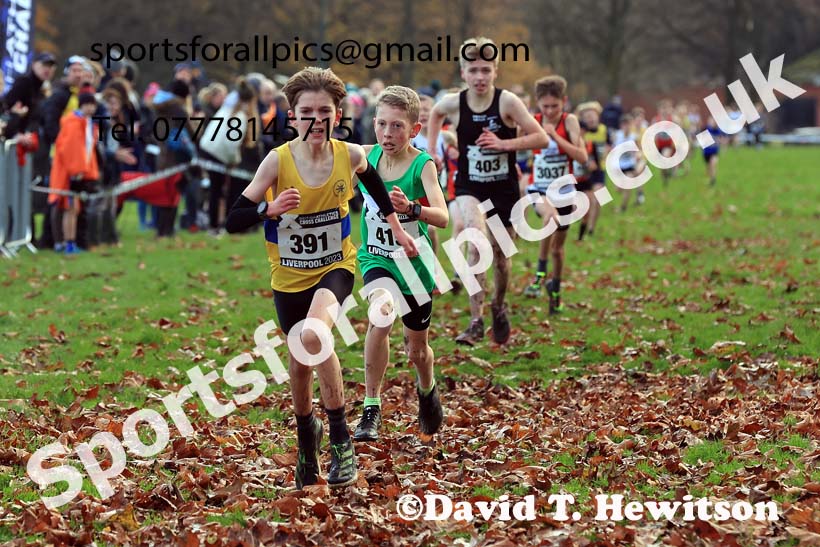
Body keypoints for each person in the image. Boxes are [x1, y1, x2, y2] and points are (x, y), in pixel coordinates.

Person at [224, 67, 419, 489]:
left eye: (324, 112)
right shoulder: (277, 161)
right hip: (288, 276)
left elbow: (373, 183)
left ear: (337, 114)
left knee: (314, 335)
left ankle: (341, 439)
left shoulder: (348, 155)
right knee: (298, 362)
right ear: (292, 116)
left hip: (337, 267)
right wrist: (268, 211)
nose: (316, 120)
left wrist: (397, 228)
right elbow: (232, 218)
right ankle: (306, 436)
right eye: (306, 112)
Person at [426, 37, 549, 346]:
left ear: (496, 71)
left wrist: (503, 144)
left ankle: (497, 306)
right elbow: (434, 115)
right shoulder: (455, 103)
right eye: (473, 70)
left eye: (485, 70)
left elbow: (541, 138)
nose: (479, 77)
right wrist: (432, 153)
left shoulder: (507, 102)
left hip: (504, 188)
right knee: (475, 239)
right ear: (463, 73)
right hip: (470, 185)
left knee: (501, 257)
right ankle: (475, 320)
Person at [352, 86, 449, 442]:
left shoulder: (422, 165)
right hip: (375, 257)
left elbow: (443, 216)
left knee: (417, 350)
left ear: (414, 130)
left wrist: (411, 208)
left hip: (414, 264)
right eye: (381, 124)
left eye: (396, 126)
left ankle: (427, 389)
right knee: (381, 312)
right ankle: (371, 407)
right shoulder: (364, 157)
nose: (387, 134)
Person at [521, 76, 587, 316]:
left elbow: (582, 157)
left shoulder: (569, 122)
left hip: (565, 192)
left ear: (564, 102)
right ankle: (539, 275)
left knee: (558, 250)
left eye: (554, 106)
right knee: (550, 219)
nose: (548, 111)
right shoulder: (533, 120)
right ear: (537, 103)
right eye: (544, 106)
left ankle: (555, 290)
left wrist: (555, 137)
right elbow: (516, 142)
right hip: (538, 189)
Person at [48, 89, 99, 254]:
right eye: (87, 105)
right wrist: (76, 171)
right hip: (70, 174)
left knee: (73, 208)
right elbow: (71, 149)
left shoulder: (87, 123)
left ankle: (69, 241)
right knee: (69, 208)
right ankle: (66, 243)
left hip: (79, 172)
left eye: (93, 105)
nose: (90, 108)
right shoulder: (73, 123)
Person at [577, 101, 609, 238]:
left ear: (598, 116)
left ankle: (592, 227)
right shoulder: (582, 133)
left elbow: (608, 144)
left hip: (599, 169)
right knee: (588, 201)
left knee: (600, 199)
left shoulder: (603, 129)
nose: (590, 118)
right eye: (587, 116)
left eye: (593, 115)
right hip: (583, 172)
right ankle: (585, 224)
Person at [702, 116, 723, 186]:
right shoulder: (707, 129)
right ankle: (710, 178)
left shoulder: (719, 131)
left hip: (714, 152)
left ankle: (713, 180)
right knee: (709, 168)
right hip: (706, 152)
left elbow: (722, 139)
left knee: (713, 164)